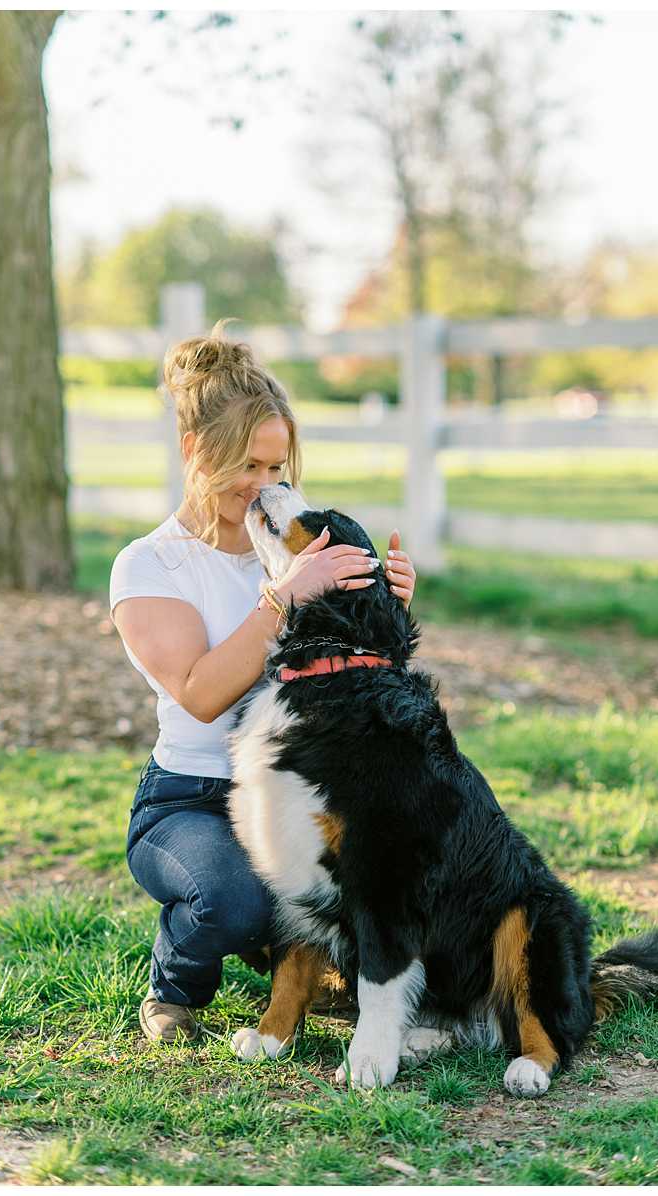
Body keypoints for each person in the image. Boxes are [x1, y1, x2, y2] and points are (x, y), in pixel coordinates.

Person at [110, 323, 419, 1043]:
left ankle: (341, 972)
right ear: (195, 452)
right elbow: (202, 690)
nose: (266, 487)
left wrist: (386, 607)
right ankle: (174, 987)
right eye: (249, 466)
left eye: (279, 470)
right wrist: (286, 595)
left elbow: (356, 677)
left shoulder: (287, 539)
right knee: (236, 901)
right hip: (188, 798)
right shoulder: (149, 565)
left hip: (295, 785)